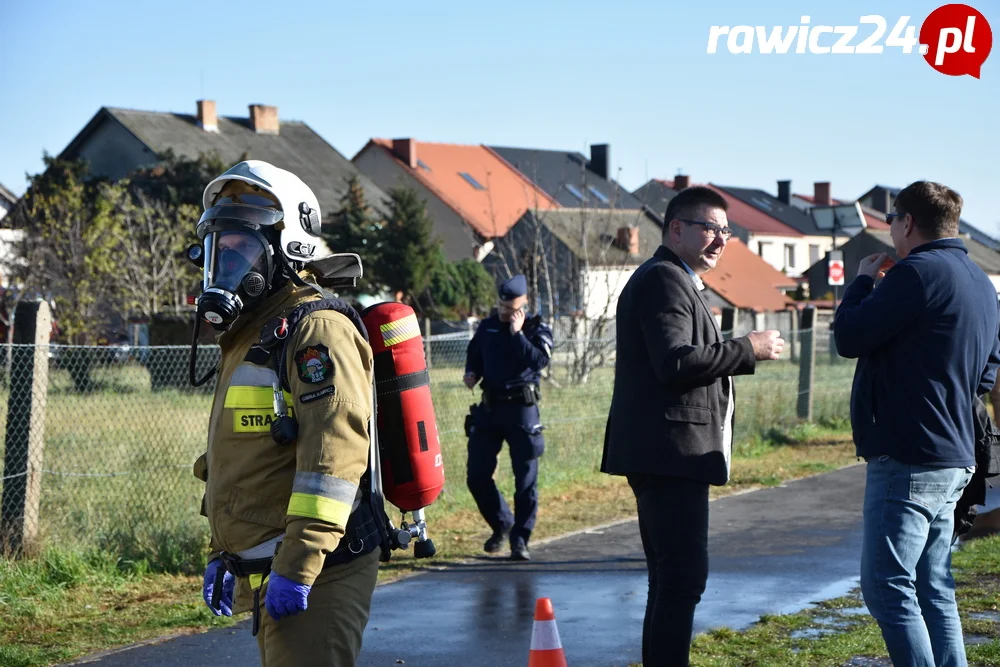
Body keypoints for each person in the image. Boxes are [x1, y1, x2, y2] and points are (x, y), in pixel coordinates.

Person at [191, 160, 384, 666]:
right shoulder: (253, 334)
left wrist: (297, 567)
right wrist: (224, 552)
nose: (225, 262)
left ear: (286, 249)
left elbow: (333, 465)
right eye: (218, 248)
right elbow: (248, 456)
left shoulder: (316, 330)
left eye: (241, 247)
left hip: (321, 572)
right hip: (270, 569)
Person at [600, 185, 785, 667]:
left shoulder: (676, 278)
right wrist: (750, 348)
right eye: (710, 228)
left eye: (726, 231)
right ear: (676, 229)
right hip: (669, 454)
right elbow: (675, 363)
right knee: (682, 580)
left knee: (670, 580)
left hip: (668, 454)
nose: (720, 240)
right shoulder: (665, 278)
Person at [833, 180, 1000, 667]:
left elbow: (849, 336)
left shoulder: (915, 274)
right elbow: (987, 371)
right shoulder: (980, 282)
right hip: (956, 454)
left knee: (886, 585)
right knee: (933, 585)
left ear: (907, 222)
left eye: (890, 221)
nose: (889, 230)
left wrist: (862, 282)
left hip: (910, 456)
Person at [463, 274, 554, 561]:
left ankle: (520, 540)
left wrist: (517, 334)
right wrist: (471, 372)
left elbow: (539, 360)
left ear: (524, 302)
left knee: (525, 480)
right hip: (490, 409)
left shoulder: (537, 328)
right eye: (501, 306)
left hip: (522, 411)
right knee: (477, 476)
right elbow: (475, 353)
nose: (504, 312)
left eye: (510, 307)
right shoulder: (488, 327)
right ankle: (503, 524)